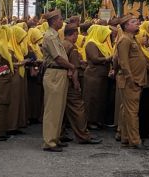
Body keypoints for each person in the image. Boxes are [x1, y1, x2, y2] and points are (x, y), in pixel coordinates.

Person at [39, 10, 74, 153]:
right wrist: (72, 66)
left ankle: (55, 138)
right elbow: (58, 58)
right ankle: (49, 142)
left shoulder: (55, 35)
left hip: (59, 73)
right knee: (52, 109)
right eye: (60, 19)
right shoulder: (50, 36)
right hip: (54, 73)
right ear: (54, 21)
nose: (62, 21)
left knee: (59, 108)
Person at [61, 25, 101, 146]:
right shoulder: (72, 48)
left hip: (60, 82)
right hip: (70, 82)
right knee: (78, 108)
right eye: (76, 35)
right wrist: (76, 83)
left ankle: (60, 134)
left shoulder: (60, 44)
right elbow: (74, 69)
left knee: (62, 109)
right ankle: (83, 136)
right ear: (73, 34)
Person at [115, 16, 149, 148]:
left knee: (128, 111)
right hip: (131, 81)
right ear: (126, 26)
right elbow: (123, 62)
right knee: (132, 112)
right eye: (133, 22)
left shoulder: (132, 39)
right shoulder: (124, 40)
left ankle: (125, 137)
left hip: (136, 80)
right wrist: (130, 79)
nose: (138, 24)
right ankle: (135, 141)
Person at [82, 23, 113, 129]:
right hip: (93, 76)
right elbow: (95, 59)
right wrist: (108, 59)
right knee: (92, 99)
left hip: (100, 76)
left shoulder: (99, 44)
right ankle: (90, 121)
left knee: (99, 99)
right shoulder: (91, 44)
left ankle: (97, 120)